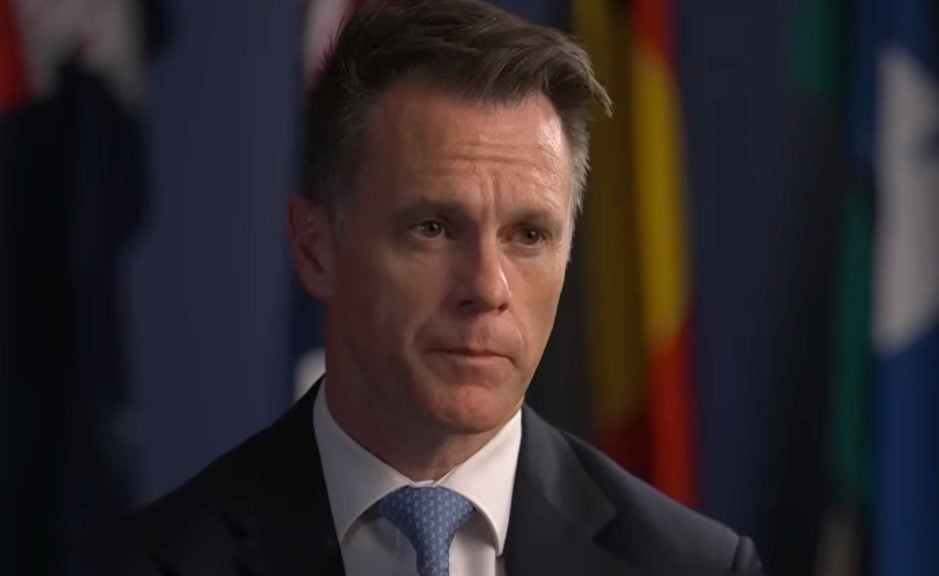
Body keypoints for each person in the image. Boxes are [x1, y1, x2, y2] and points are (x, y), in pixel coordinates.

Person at [86, 1, 763, 574]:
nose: (487, 287)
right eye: (434, 228)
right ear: (315, 247)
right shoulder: (148, 562)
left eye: (529, 235)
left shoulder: (694, 564)